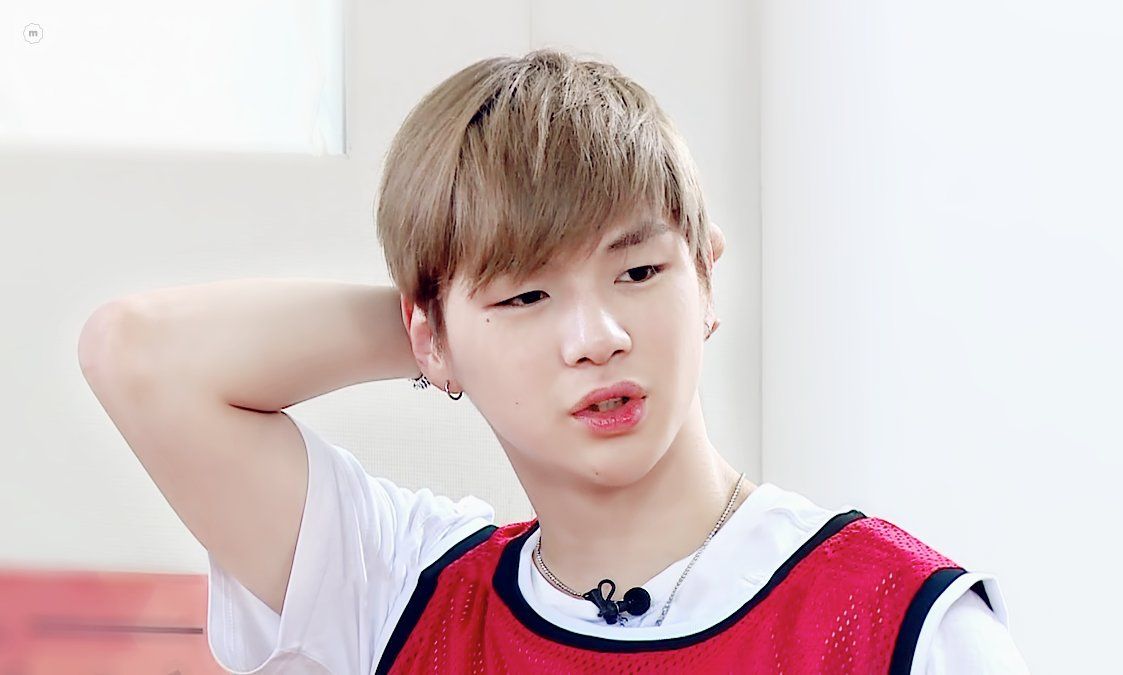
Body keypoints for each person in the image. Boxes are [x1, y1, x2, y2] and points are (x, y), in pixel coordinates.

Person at [80, 49, 1030, 673]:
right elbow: (140, 355)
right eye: (528, 297)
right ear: (428, 336)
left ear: (707, 278)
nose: (597, 336)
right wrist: (444, 329)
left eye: (640, 272)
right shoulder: (404, 595)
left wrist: (480, 320)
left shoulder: (902, 620)